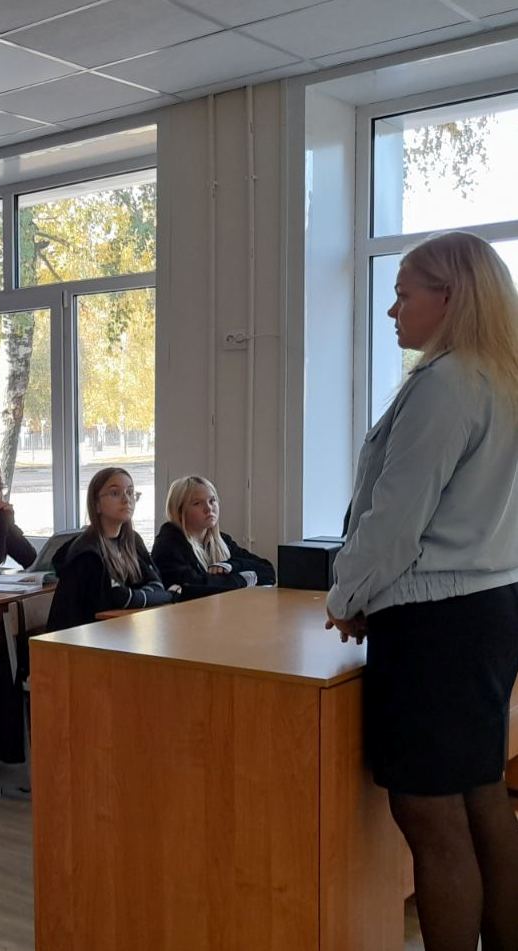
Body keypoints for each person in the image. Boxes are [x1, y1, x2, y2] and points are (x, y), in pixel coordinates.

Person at [325, 232, 518, 951]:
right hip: (491, 609)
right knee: (482, 800)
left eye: (405, 293)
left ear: (451, 297)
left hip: (437, 626)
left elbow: (394, 521)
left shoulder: (445, 385)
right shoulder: (502, 379)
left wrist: (346, 596)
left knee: (431, 821)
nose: (392, 309)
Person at [46, 467, 173, 633]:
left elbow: (157, 584)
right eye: (115, 493)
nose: (126, 500)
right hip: (79, 644)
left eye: (130, 492)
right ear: (96, 504)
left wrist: (146, 595)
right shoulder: (87, 552)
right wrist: (169, 595)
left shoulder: (132, 541)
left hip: (119, 633)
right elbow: (119, 598)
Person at [152, 475, 274, 598]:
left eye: (212, 501)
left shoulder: (221, 540)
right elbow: (192, 587)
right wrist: (242, 579)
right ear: (179, 511)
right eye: (197, 503)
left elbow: (268, 571)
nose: (208, 508)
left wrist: (230, 565)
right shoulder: (168, 545)